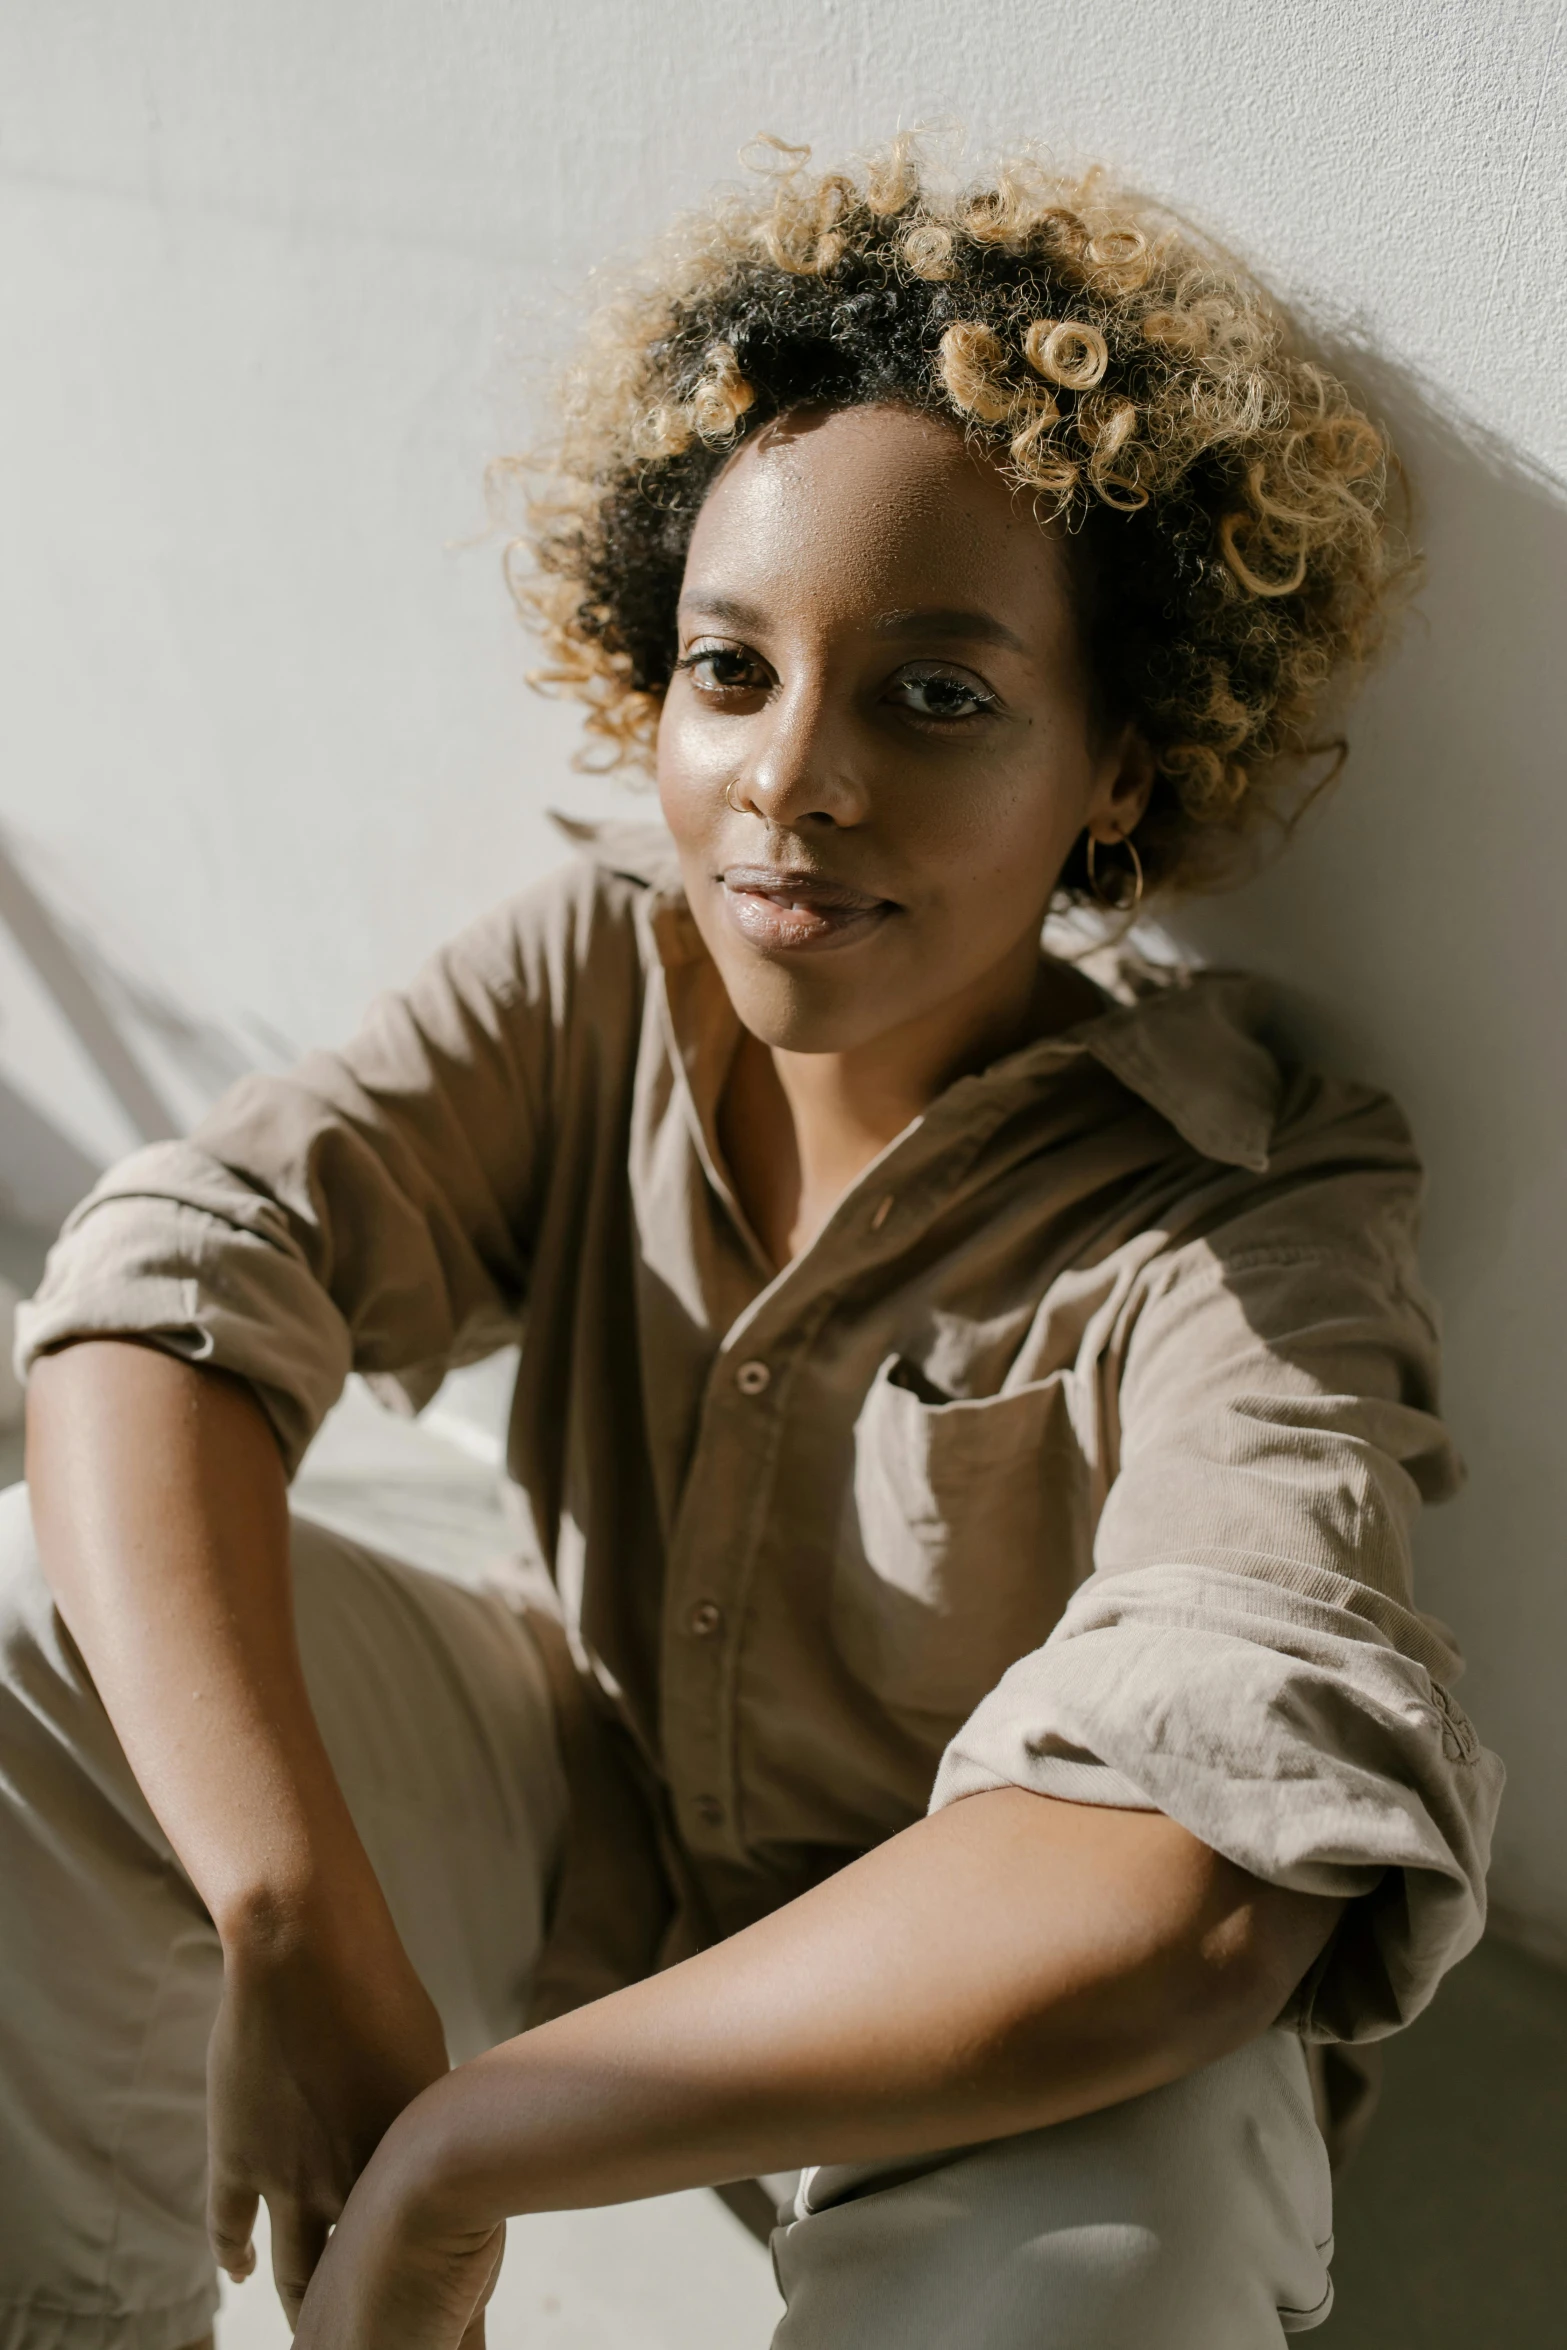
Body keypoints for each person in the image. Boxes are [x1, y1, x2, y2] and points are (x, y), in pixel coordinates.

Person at [3, 137, 1501, 2350]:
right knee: (40, 1624)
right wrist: (295, 1915)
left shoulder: (1250, 1198)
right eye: (731, 668)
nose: (790, 778)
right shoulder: (594, 974)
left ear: (1115, 765)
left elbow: (1193, 1879)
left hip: (983, 2029)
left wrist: (461, 2142)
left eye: (937, 693)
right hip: (591, 1814)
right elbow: (157, 1304)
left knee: (1130, 2244)